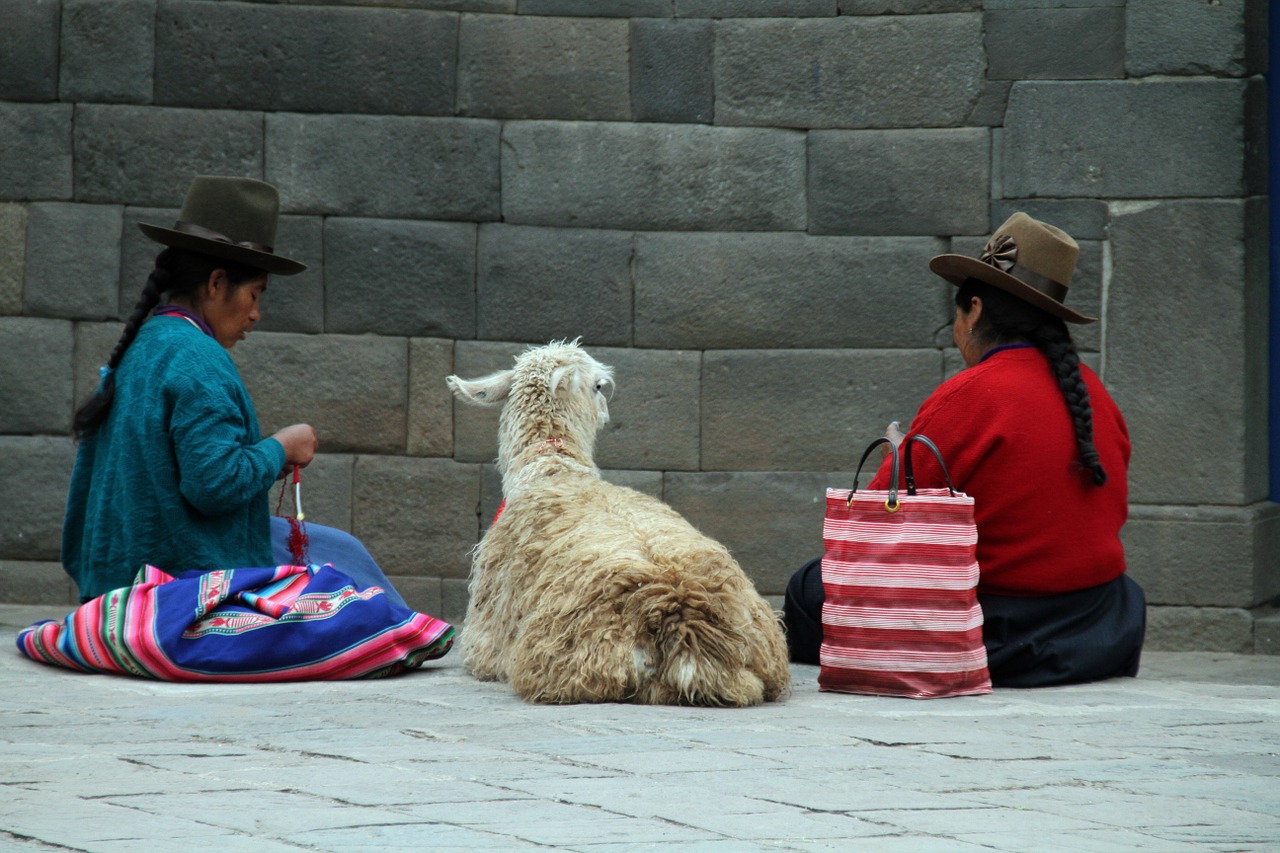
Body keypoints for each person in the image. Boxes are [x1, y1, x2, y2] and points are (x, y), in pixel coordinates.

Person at [784, 212, 1145, 687]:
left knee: (808, 587)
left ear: (974, 310)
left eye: (957, 315)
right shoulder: (1094, 393)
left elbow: (871, 534)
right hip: (1102, 626)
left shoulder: (972, 394)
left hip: (998, 630)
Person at [62, 175, 408, 609]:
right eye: (255, 293)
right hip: (177, 579)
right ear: (216, 283)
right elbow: (214, 484)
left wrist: (262, 459)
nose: (257, 314)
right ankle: (407, 633)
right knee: (347, 560)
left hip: (112, 586)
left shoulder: (139, 348)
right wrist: (281, 448)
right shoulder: (198, 359)